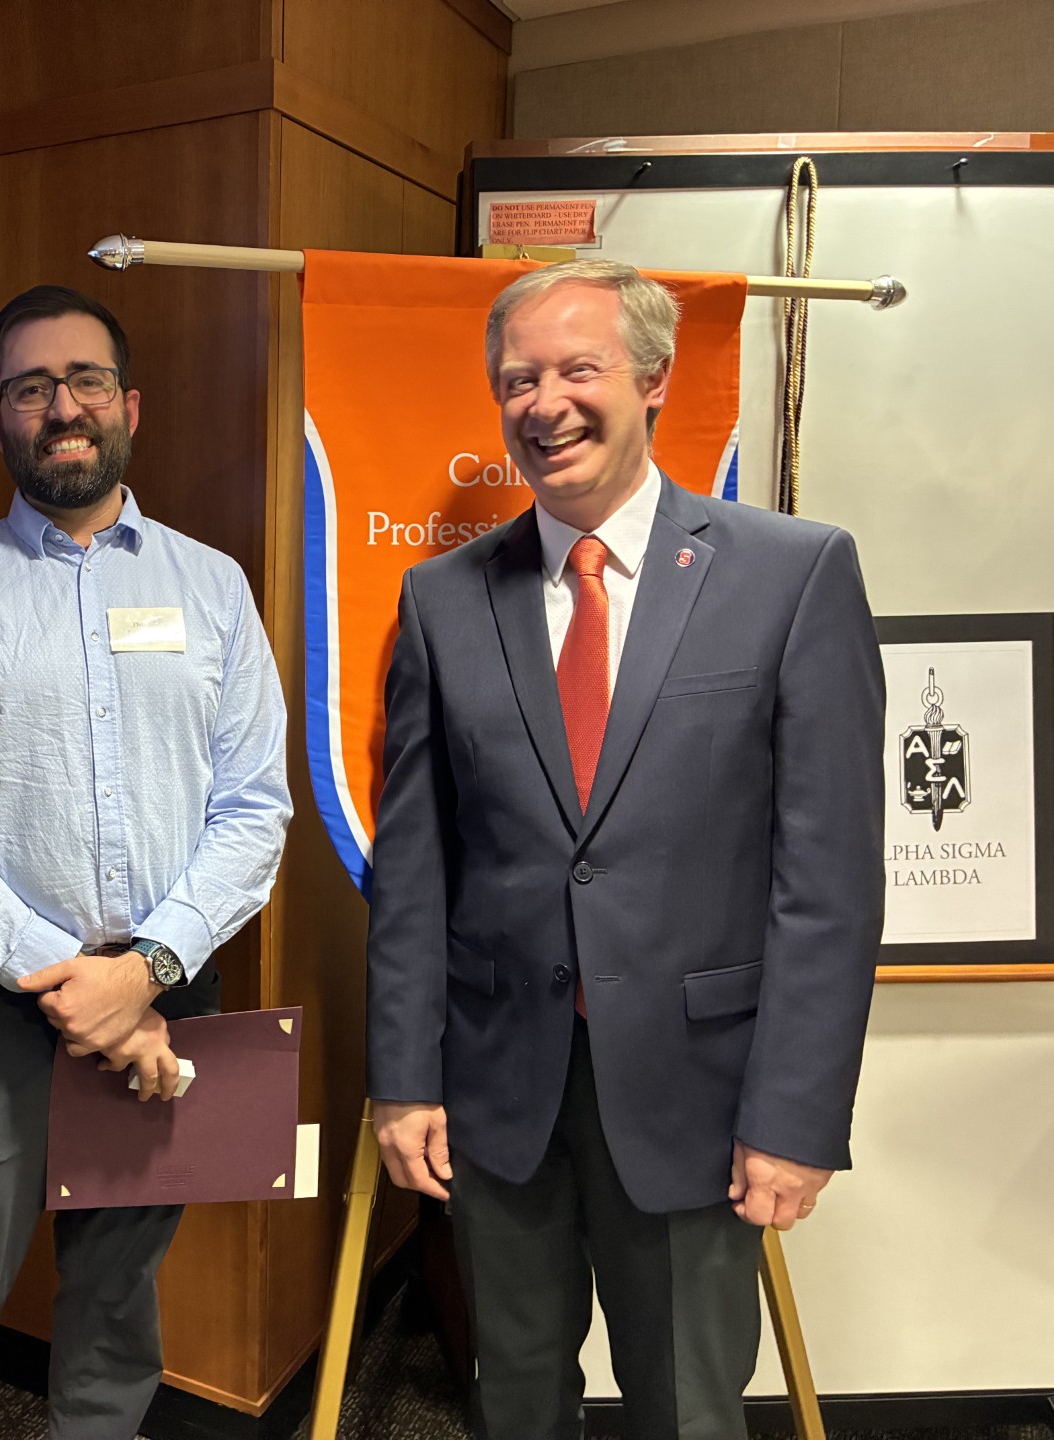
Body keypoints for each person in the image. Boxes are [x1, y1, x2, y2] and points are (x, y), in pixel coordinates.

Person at [364, 259, 884, 1438]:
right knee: (516, 1399)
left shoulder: (792, 575)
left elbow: (831, 885)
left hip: (702, 1100)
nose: (543, 402)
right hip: (501, 1095)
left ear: (652, 378)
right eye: (517, 379)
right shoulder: (444, 598)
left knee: (689, 1408)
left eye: (576, 368)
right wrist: (402, 1081)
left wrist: (797, 1117)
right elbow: (415, 872)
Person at [0, 284, 291, 1439]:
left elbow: (255, 810)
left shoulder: (213, 588)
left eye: (85, 381)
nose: (62, 407)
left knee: (114, 1303)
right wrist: (72, 983)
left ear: (131, 406)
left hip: (167, 995)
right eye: (29, 387)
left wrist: (143, 971)